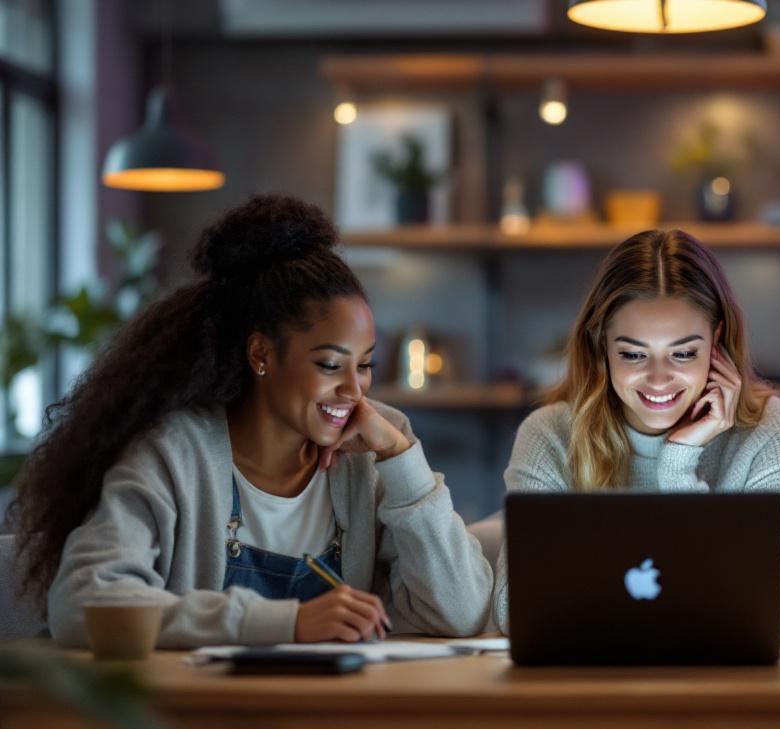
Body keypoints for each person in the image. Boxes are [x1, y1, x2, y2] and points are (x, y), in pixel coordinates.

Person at [10, 193, 493, 652]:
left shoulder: (373, 454)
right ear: (261, 354)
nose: (354, 390)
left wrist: (400, 460)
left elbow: (462, 612)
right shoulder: (176, 451)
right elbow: (84, 603)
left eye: (364, 365)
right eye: (330, 365)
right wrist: (285, 624)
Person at [488, 229, 780, 729]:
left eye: (684, 353)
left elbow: (761, 608)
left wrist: (681, 461)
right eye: (633, 354)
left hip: (712, 719)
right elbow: (513, 611)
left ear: (719, 342)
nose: (659, 379)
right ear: (600, 345)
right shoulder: (549, 434)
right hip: (573, 717)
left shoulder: (765, 428)